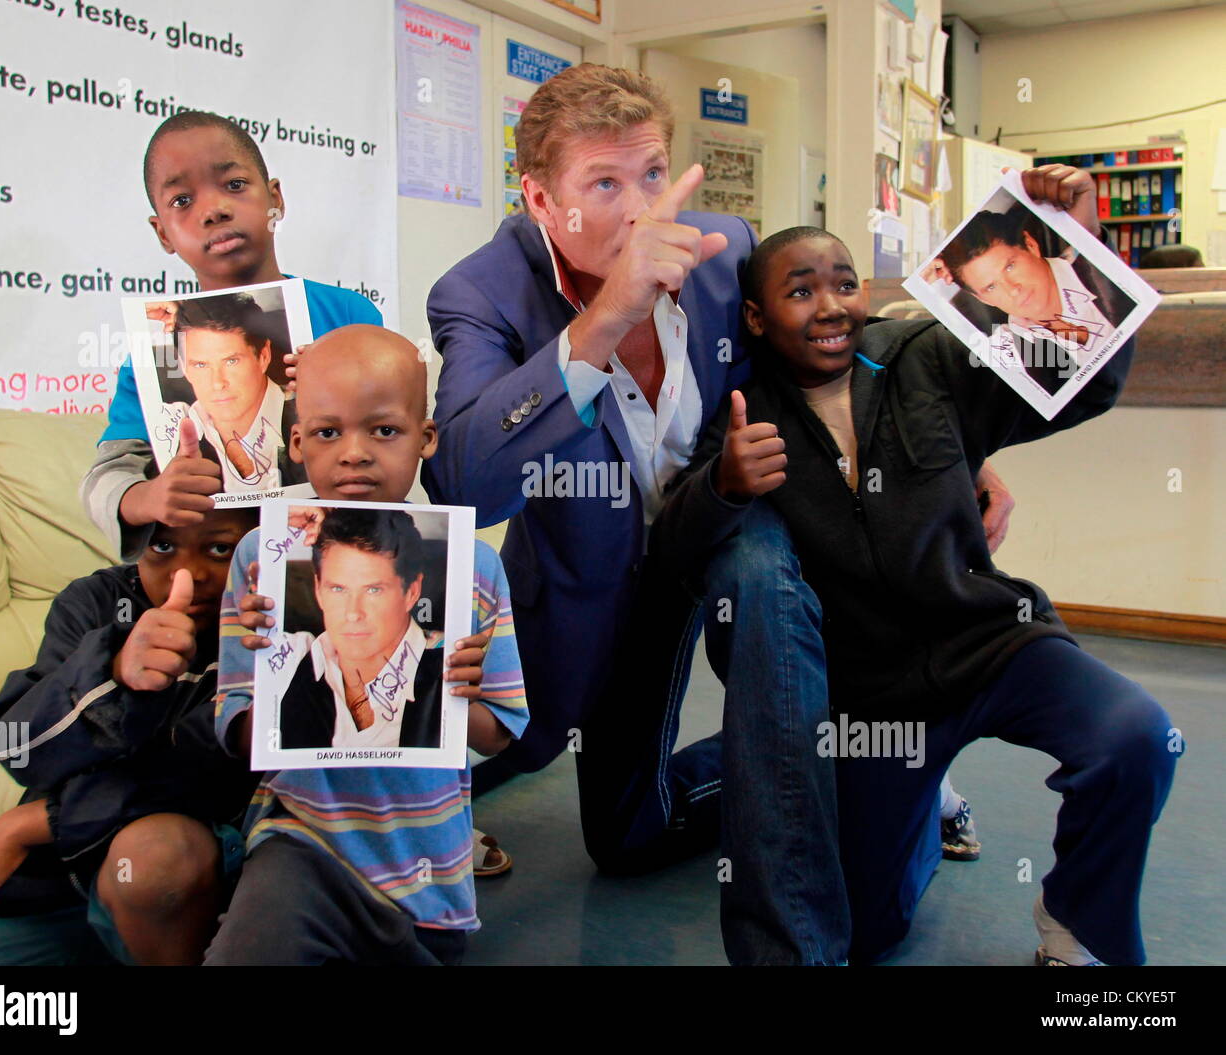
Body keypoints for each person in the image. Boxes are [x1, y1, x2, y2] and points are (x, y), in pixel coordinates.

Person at [423, 62, 1011, 965]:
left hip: (736, 518)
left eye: (653, 174)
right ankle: (850, 771)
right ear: (541, 198)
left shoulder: (725, 247)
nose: (640, 210)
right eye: (604, 185)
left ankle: (794, 945)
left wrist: (965, 457)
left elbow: (840, 345)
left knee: (761, 585)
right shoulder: (482, 293)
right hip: (604, 576)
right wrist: (606, 318)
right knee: (624, 839)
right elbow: (467, 482)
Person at [655, 164, 1179, 966]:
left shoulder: (924, 355)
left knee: (1138, 736)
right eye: (800, 292)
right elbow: (676, 552)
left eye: (843, 283)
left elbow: (1086, 384)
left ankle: (1078, 926)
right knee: (867, 931)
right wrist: (724, 486)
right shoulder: (738, 413)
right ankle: (930, 808)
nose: (830, 306)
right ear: (756, 317)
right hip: (877, 693)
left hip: (990, 639)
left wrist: (1075, 244)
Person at [207, 325, 528, 964]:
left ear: (425, 438)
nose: (353, 453)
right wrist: (266, 668)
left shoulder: (476, 569)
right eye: (328, 432)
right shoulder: (260, 561)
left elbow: (502, 733)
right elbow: (239, 739)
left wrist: (462, 696)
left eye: (384, 430)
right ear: (296, 445)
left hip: (429, 873)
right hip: (300, 846)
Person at [0, 508, 260, 966]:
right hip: (63, 877)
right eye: (161, 546)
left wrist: (33, 824)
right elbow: (18, 746)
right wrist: (113, 672)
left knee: (153, 865)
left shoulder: (269, 622)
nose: (189, 574)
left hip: (178, 877)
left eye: (221, 549)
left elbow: (212, 773)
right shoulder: (93, 600)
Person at [81, 111, 382, 561]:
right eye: (182, 201)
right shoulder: (153, 355)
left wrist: (334, 398)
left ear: (274, 199)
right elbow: (107, 475)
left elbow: (394, 433)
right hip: (215, 569)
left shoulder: (348, 315)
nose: (214, 210)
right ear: (162, 232)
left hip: (338, 554)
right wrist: (146, 496)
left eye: (235, 185)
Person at [276, 507, 443, 750]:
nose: (354, 613)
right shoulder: (291, 659)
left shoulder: (447, 664)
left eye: (374, 590)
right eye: (338, 589)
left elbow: (495, 739)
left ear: (412, 592)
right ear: (318, 590)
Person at [939, 200, 1137, 396]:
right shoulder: (1007, 349)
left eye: (1010, 266)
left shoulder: (1094, 270)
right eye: (991, 287)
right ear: (982, 299)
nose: (1012, 289)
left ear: (1031, 245)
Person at [160, 293, 300, 493]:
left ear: (263, 356)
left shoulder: (308, 418)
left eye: (231, 361)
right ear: (183, 367)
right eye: (201, 365)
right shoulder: (168, 425)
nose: (217, 383)